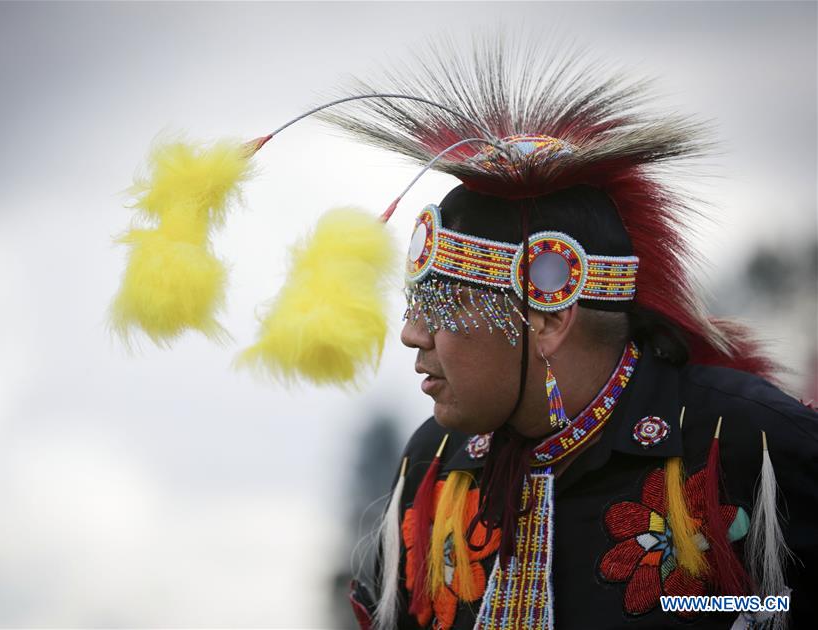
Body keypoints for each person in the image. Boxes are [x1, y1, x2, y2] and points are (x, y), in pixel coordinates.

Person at [333, 43, 818, 630]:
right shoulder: (434, 467)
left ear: (547, 318)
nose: (412, 334)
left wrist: (715, 611)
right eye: (414, 303)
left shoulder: (747, 445)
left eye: (443, 305)